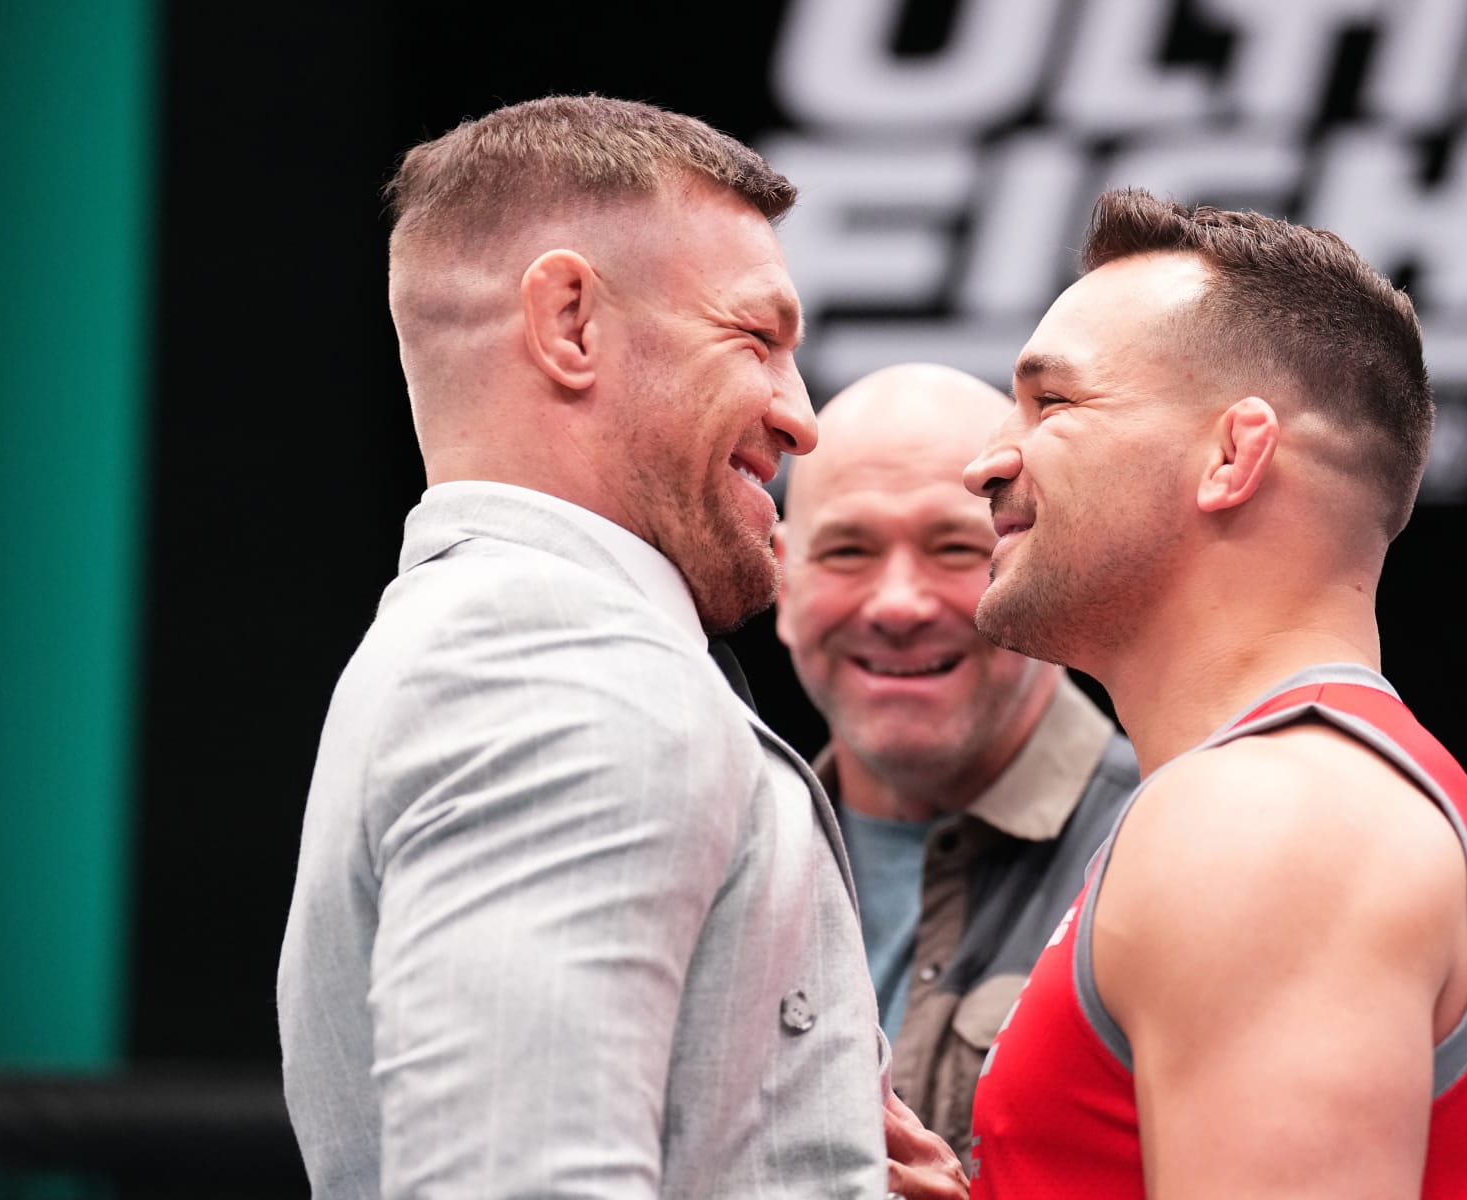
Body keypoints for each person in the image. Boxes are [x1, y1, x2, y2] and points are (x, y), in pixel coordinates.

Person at [276, 94, 964, 1200]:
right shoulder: (552, 664)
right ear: (571, 324)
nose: (802, 414)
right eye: (757, 337)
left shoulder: (507, 642)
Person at [961, 193, 1467, 1198]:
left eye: (1054, 404)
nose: (988, 460)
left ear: (1232, 455)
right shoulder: (1295, 794)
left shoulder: (1272, 820)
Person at [772, 363, 1140, 1158]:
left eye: (952, 546)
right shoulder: (724, 854)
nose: (899, 603)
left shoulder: (1172, 848)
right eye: (846, 550)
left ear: (1043, 564)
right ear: (782, 577)